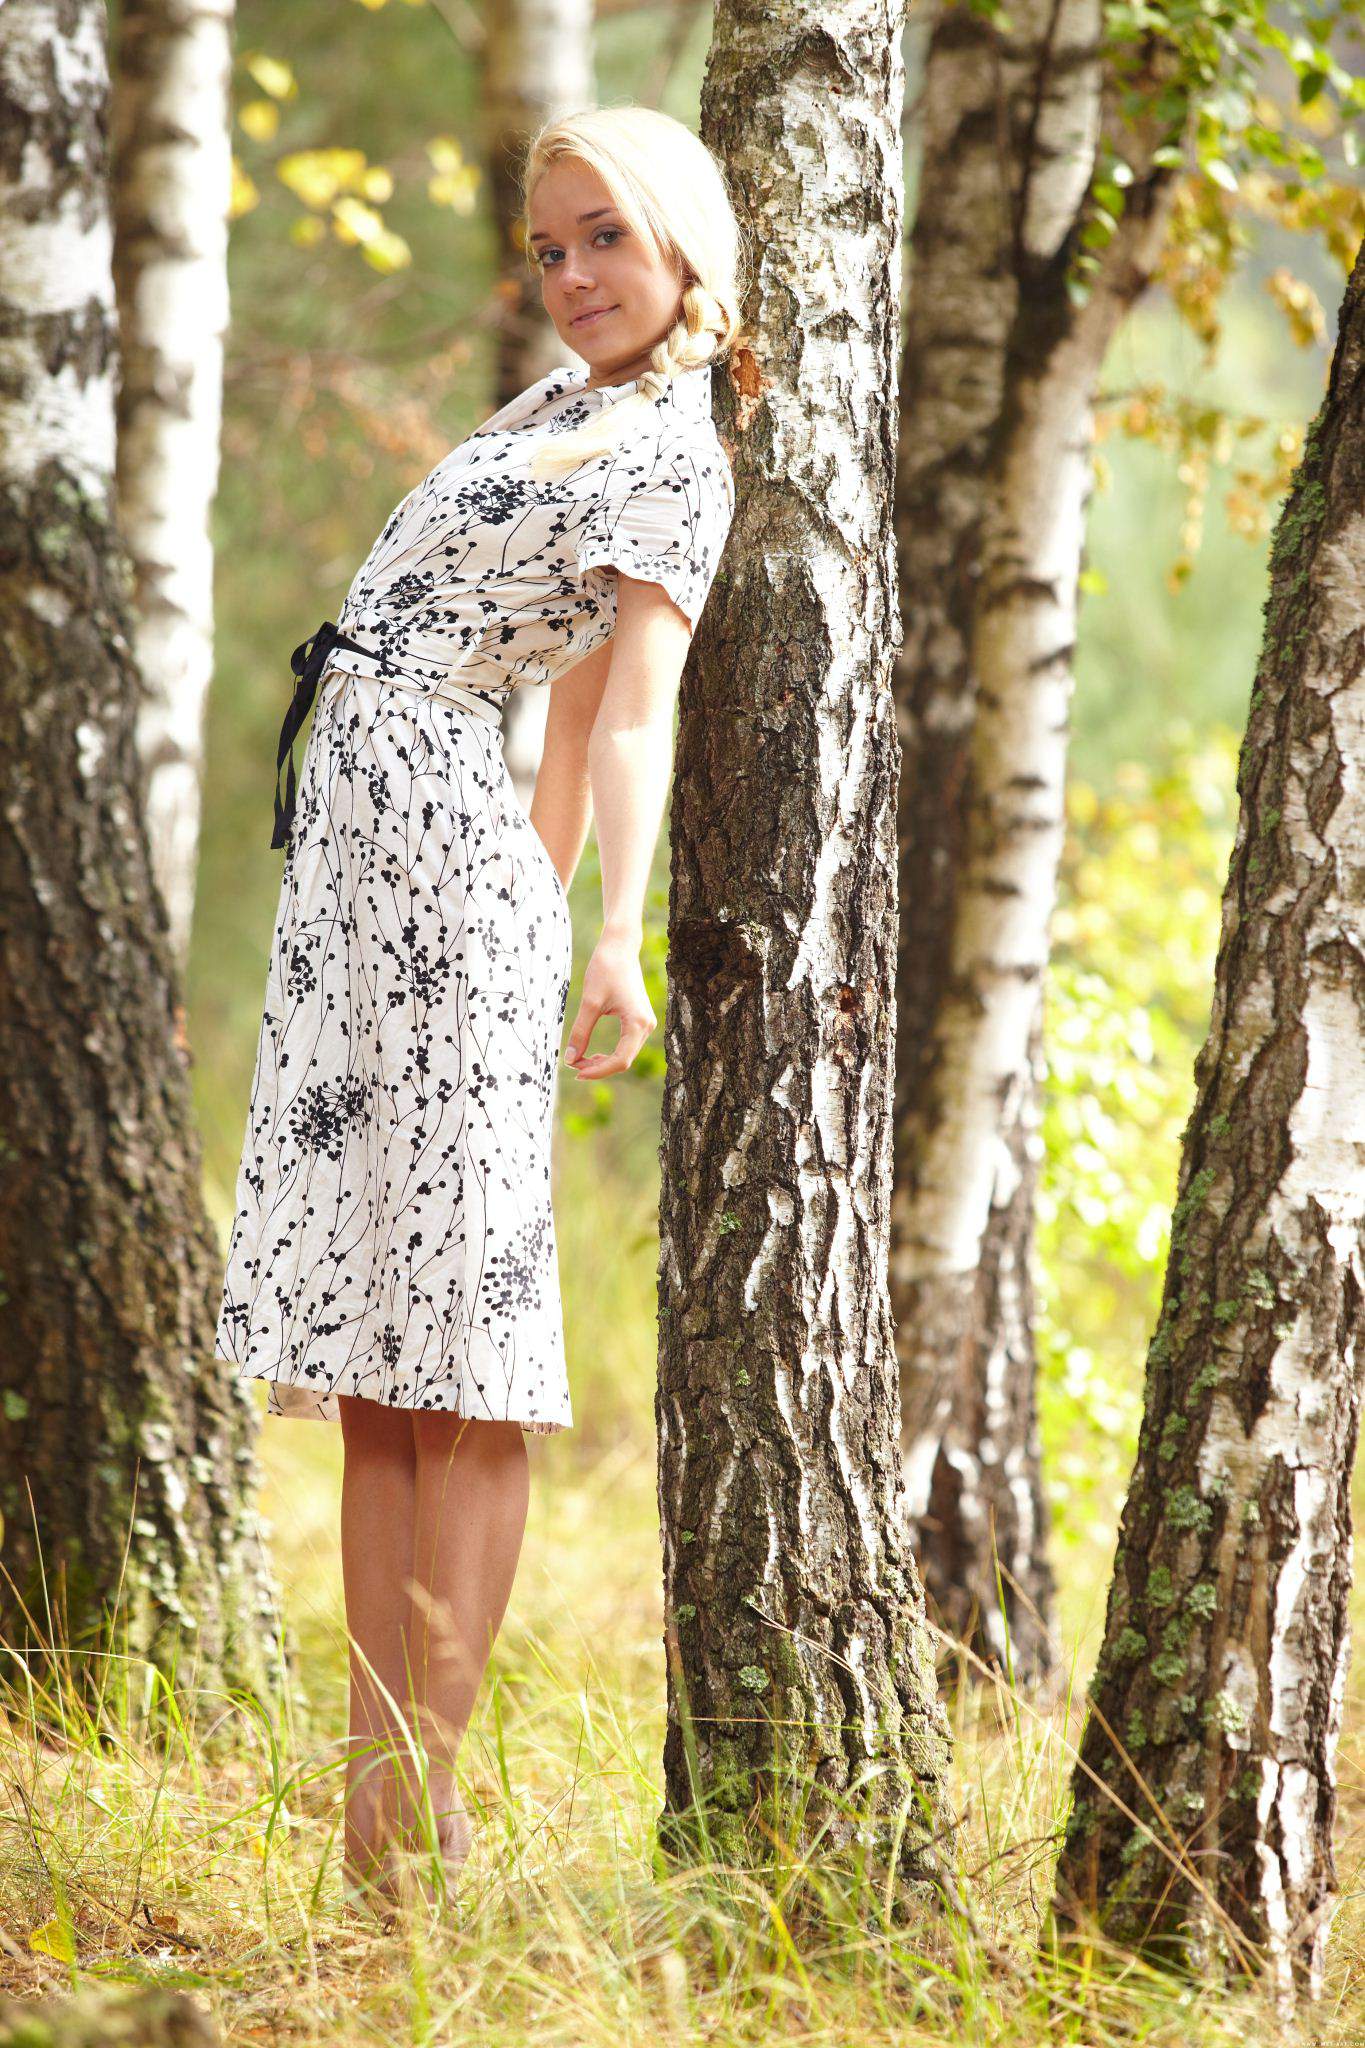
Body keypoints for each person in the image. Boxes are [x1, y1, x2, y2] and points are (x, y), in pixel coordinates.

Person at [212, 105, 745, 1910]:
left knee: (465, 1360)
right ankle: (370, 1806)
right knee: (374, 1363)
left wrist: (607, 935)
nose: (573, 274)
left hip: (443, 877)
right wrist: (537, 889)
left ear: (680, 243)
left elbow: (633, 707)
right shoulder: (548, 413)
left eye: (606, 238)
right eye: (550, 247)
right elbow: (564, 704)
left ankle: (428, 1805)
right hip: (367, 881)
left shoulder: (669, 450)